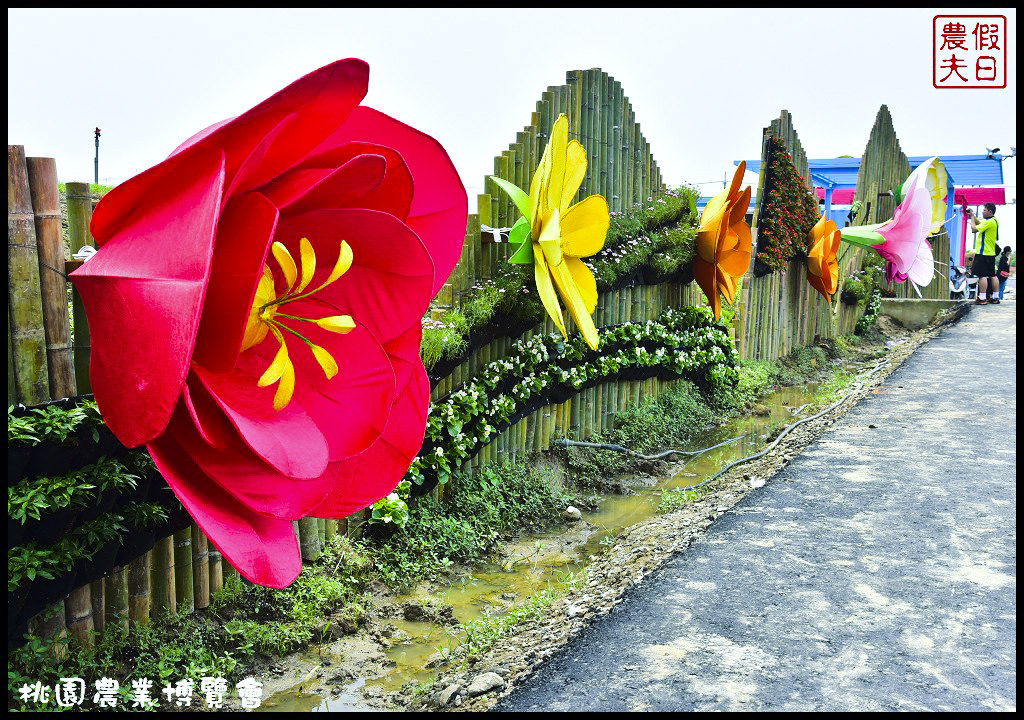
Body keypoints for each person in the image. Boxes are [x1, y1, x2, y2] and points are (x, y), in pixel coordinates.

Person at [968, 203, 1000, 305]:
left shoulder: (989, 222)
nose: (983, 212)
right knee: (992, 275)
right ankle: (995, 297)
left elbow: (974, 229)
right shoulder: (994, 221)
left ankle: (982, 298)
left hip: (983, 252)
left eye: (984, 210)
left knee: (982, 276)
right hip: (990, 253)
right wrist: (973, 216)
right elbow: (980, 223)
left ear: (990, 211)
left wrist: (972, 219)